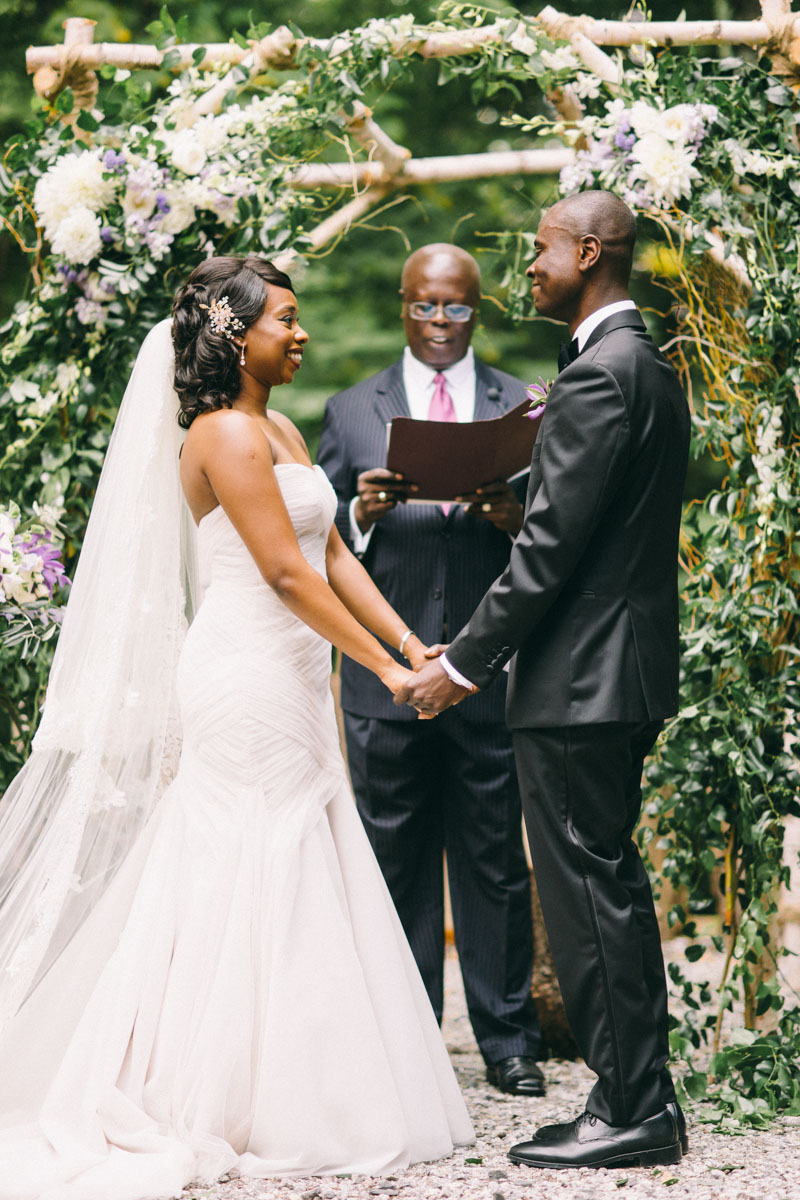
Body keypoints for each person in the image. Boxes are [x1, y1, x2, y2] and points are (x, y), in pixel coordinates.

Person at [0, 256, 473, 1200]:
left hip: (297, 671)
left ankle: (306, 1077)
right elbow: (283, 576)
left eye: (299, 319)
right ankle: (215, 1088)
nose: (299, 335)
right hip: (244, 674)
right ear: (233, 333)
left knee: (308, 841)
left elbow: (331, 551)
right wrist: (384, 672)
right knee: (244, 851)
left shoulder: (283, 426)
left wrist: (412, 643)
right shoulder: (221, 434)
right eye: (284, 320)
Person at [396, 192, 691, 1170]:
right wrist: (510, 501)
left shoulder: (600, 375)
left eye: (540, 250)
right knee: (606, 885)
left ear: (589, 252)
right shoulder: (636, 363)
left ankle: (630, 1110)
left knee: (587, 896)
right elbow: (584, 523)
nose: (528, 267)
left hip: (582, 679)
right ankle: (637, 1097)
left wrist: (461, 665)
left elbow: (551, 556)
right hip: (617, 669)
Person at [317, 243, 544, 1097]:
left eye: (458, 309)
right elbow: (319, 540)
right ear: (402, 304)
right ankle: (409, 1041)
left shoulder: (524, 403)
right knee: (396, 860)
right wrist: (364, 514)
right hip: (386, 675)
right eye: (425, 307)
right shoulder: (348, 410)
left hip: (488, 669)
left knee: (493, 859)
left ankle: (509, 1044)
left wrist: (513, 511)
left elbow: (556, 531)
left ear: (477, 310)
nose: (441, 324)